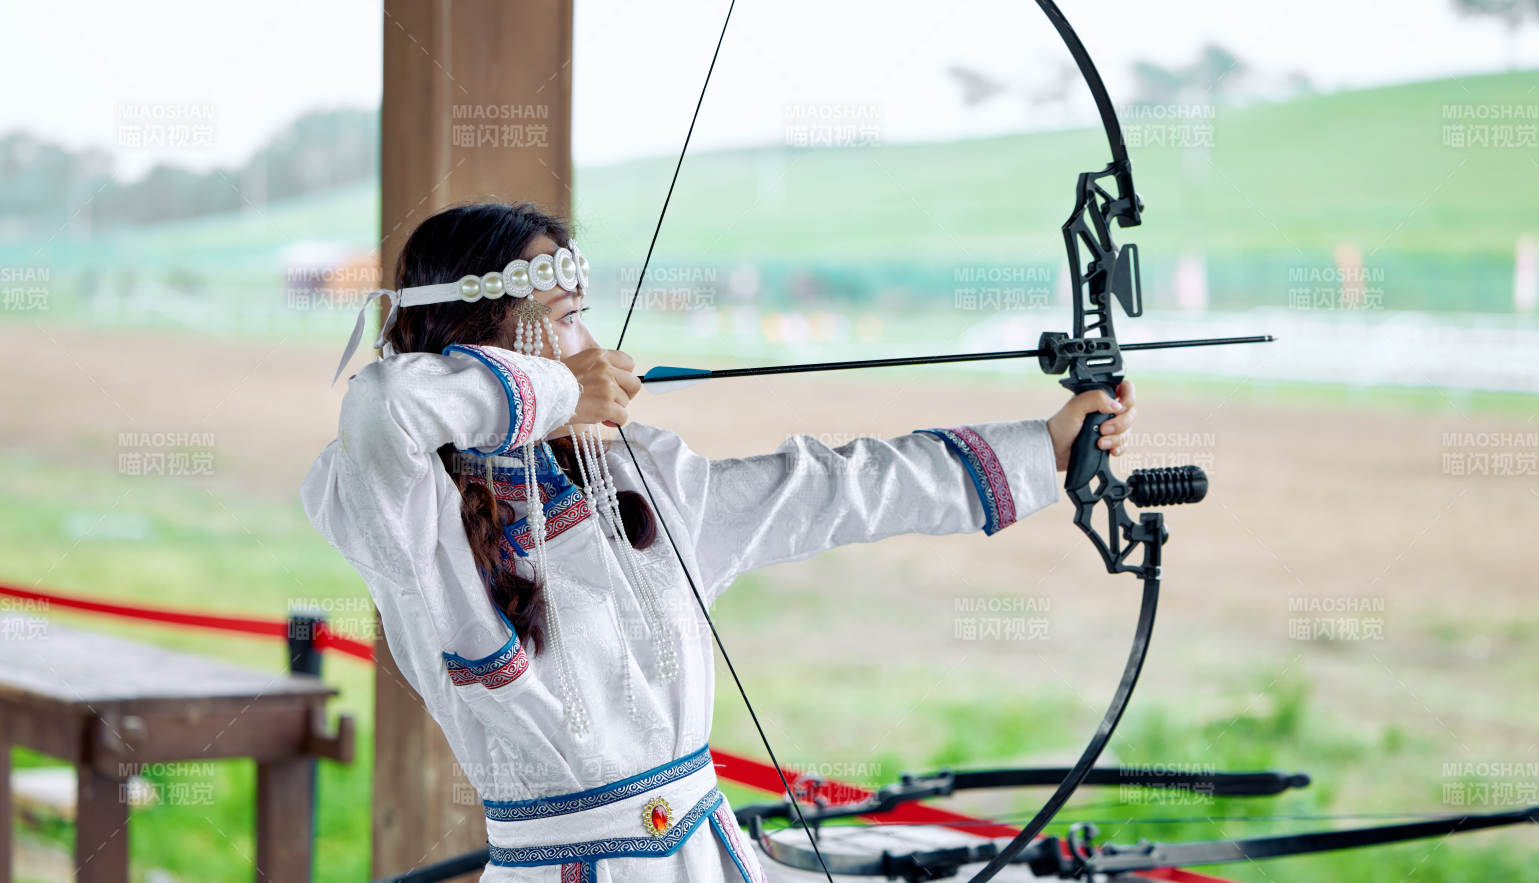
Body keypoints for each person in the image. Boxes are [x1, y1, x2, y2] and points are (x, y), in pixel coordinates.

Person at [302, 200, 1138, 882]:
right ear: (482, 327)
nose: (594, 347)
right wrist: (562, 392)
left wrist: (1049, 448)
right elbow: (385, 408)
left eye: (585, 317)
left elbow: (834, 488)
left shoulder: (638, 478)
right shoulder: (410, 516)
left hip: (711, 857)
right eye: (562, 320)